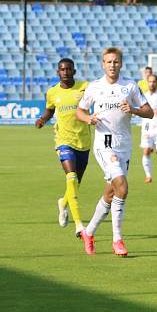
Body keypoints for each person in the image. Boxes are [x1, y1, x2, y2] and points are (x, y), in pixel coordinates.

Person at [76, 47, 153, 257]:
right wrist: (88, 119)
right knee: (123, 186)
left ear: (121, 63)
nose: (112, 65)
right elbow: (79, 111)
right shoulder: (94, 87)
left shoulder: (130, 86)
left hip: (124, 145)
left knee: (112, 192)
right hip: (104, 145)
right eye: (108, 62)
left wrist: (134, 110)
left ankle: (88, 232)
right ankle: (117, 239)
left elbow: (150, 112)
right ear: (103, 64)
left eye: (116, 62)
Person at [35, 58, 91, 239]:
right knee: (71, 177)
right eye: (62, 69)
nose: (65, 72)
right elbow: (50, 110)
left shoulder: (85, 87)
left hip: (83, 141)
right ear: (58, 72)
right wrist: (43, 119)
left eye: (68, 69)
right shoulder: (52, 92)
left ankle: (63, 203)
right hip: (63, 140)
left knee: (75, 184)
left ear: (74, 71)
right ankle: (79, 225)